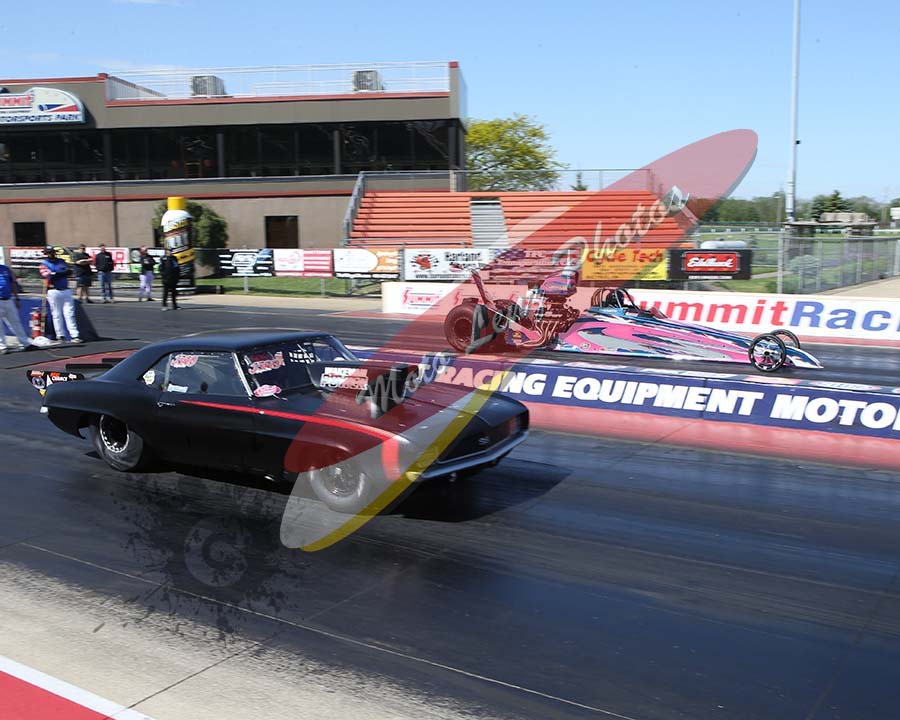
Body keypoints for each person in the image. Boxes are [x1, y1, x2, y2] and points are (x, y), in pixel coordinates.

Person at [39, 247, 81, 344]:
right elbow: (50, 277)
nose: (51, 254)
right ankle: (60, 335)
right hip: (53, 290)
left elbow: (69, 271)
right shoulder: (43, 264)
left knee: (69, 313)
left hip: (65, 289)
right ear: (46, 254)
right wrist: (61, 273)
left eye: (52, 252)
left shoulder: (61, 261)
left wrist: (57, 273)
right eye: (49, 253)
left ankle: (74, 335)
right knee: (57, 314)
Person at [0, 262, 31, 354]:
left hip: (8, 299)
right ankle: (2, 346)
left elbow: (12, 283)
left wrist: (17, 298)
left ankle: (25, 343)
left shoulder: (5, 269)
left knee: (15, 322)